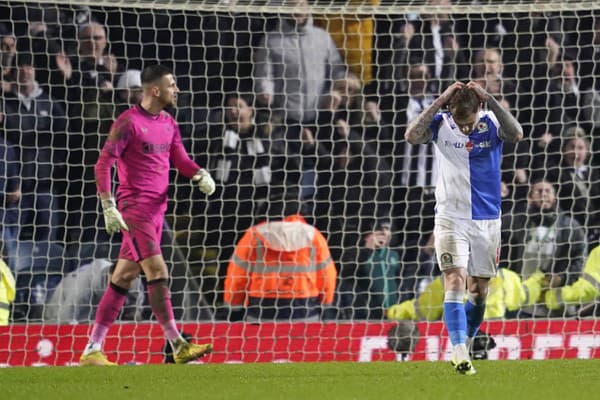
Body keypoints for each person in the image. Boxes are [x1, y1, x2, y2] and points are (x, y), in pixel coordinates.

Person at [79, 64, 216, 366]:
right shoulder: (128, 122)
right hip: (135, 209)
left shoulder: (168, 122)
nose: (176, 89)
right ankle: (178, 344)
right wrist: (108, 205)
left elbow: (180, 159)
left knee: (124, 277)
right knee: (158, 272)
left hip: (157, 212)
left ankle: (92, 349)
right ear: (155, 90)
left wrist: (199, 174)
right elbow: (102, 164)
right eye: (172, 84)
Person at [405, 80, 523, 374]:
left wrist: (490, 99)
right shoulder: (441, 122)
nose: (467, 128)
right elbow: (411, 135)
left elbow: (517, 133)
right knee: (454, 281)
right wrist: (442, 98)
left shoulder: (491, 122)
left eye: (469, 123)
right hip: (450, 218)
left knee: (479, 292)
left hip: (486, 220)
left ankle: (467, 344)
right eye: (461, 122)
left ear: (479, 110)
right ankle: (457, 350)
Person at [223, 193, 337, 322]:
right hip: (305, 307)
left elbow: (237, 275)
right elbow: (327, 275)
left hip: (261, 308)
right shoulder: (314, 235)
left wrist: (234, 307)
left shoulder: (253, 235)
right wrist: (326, 305)